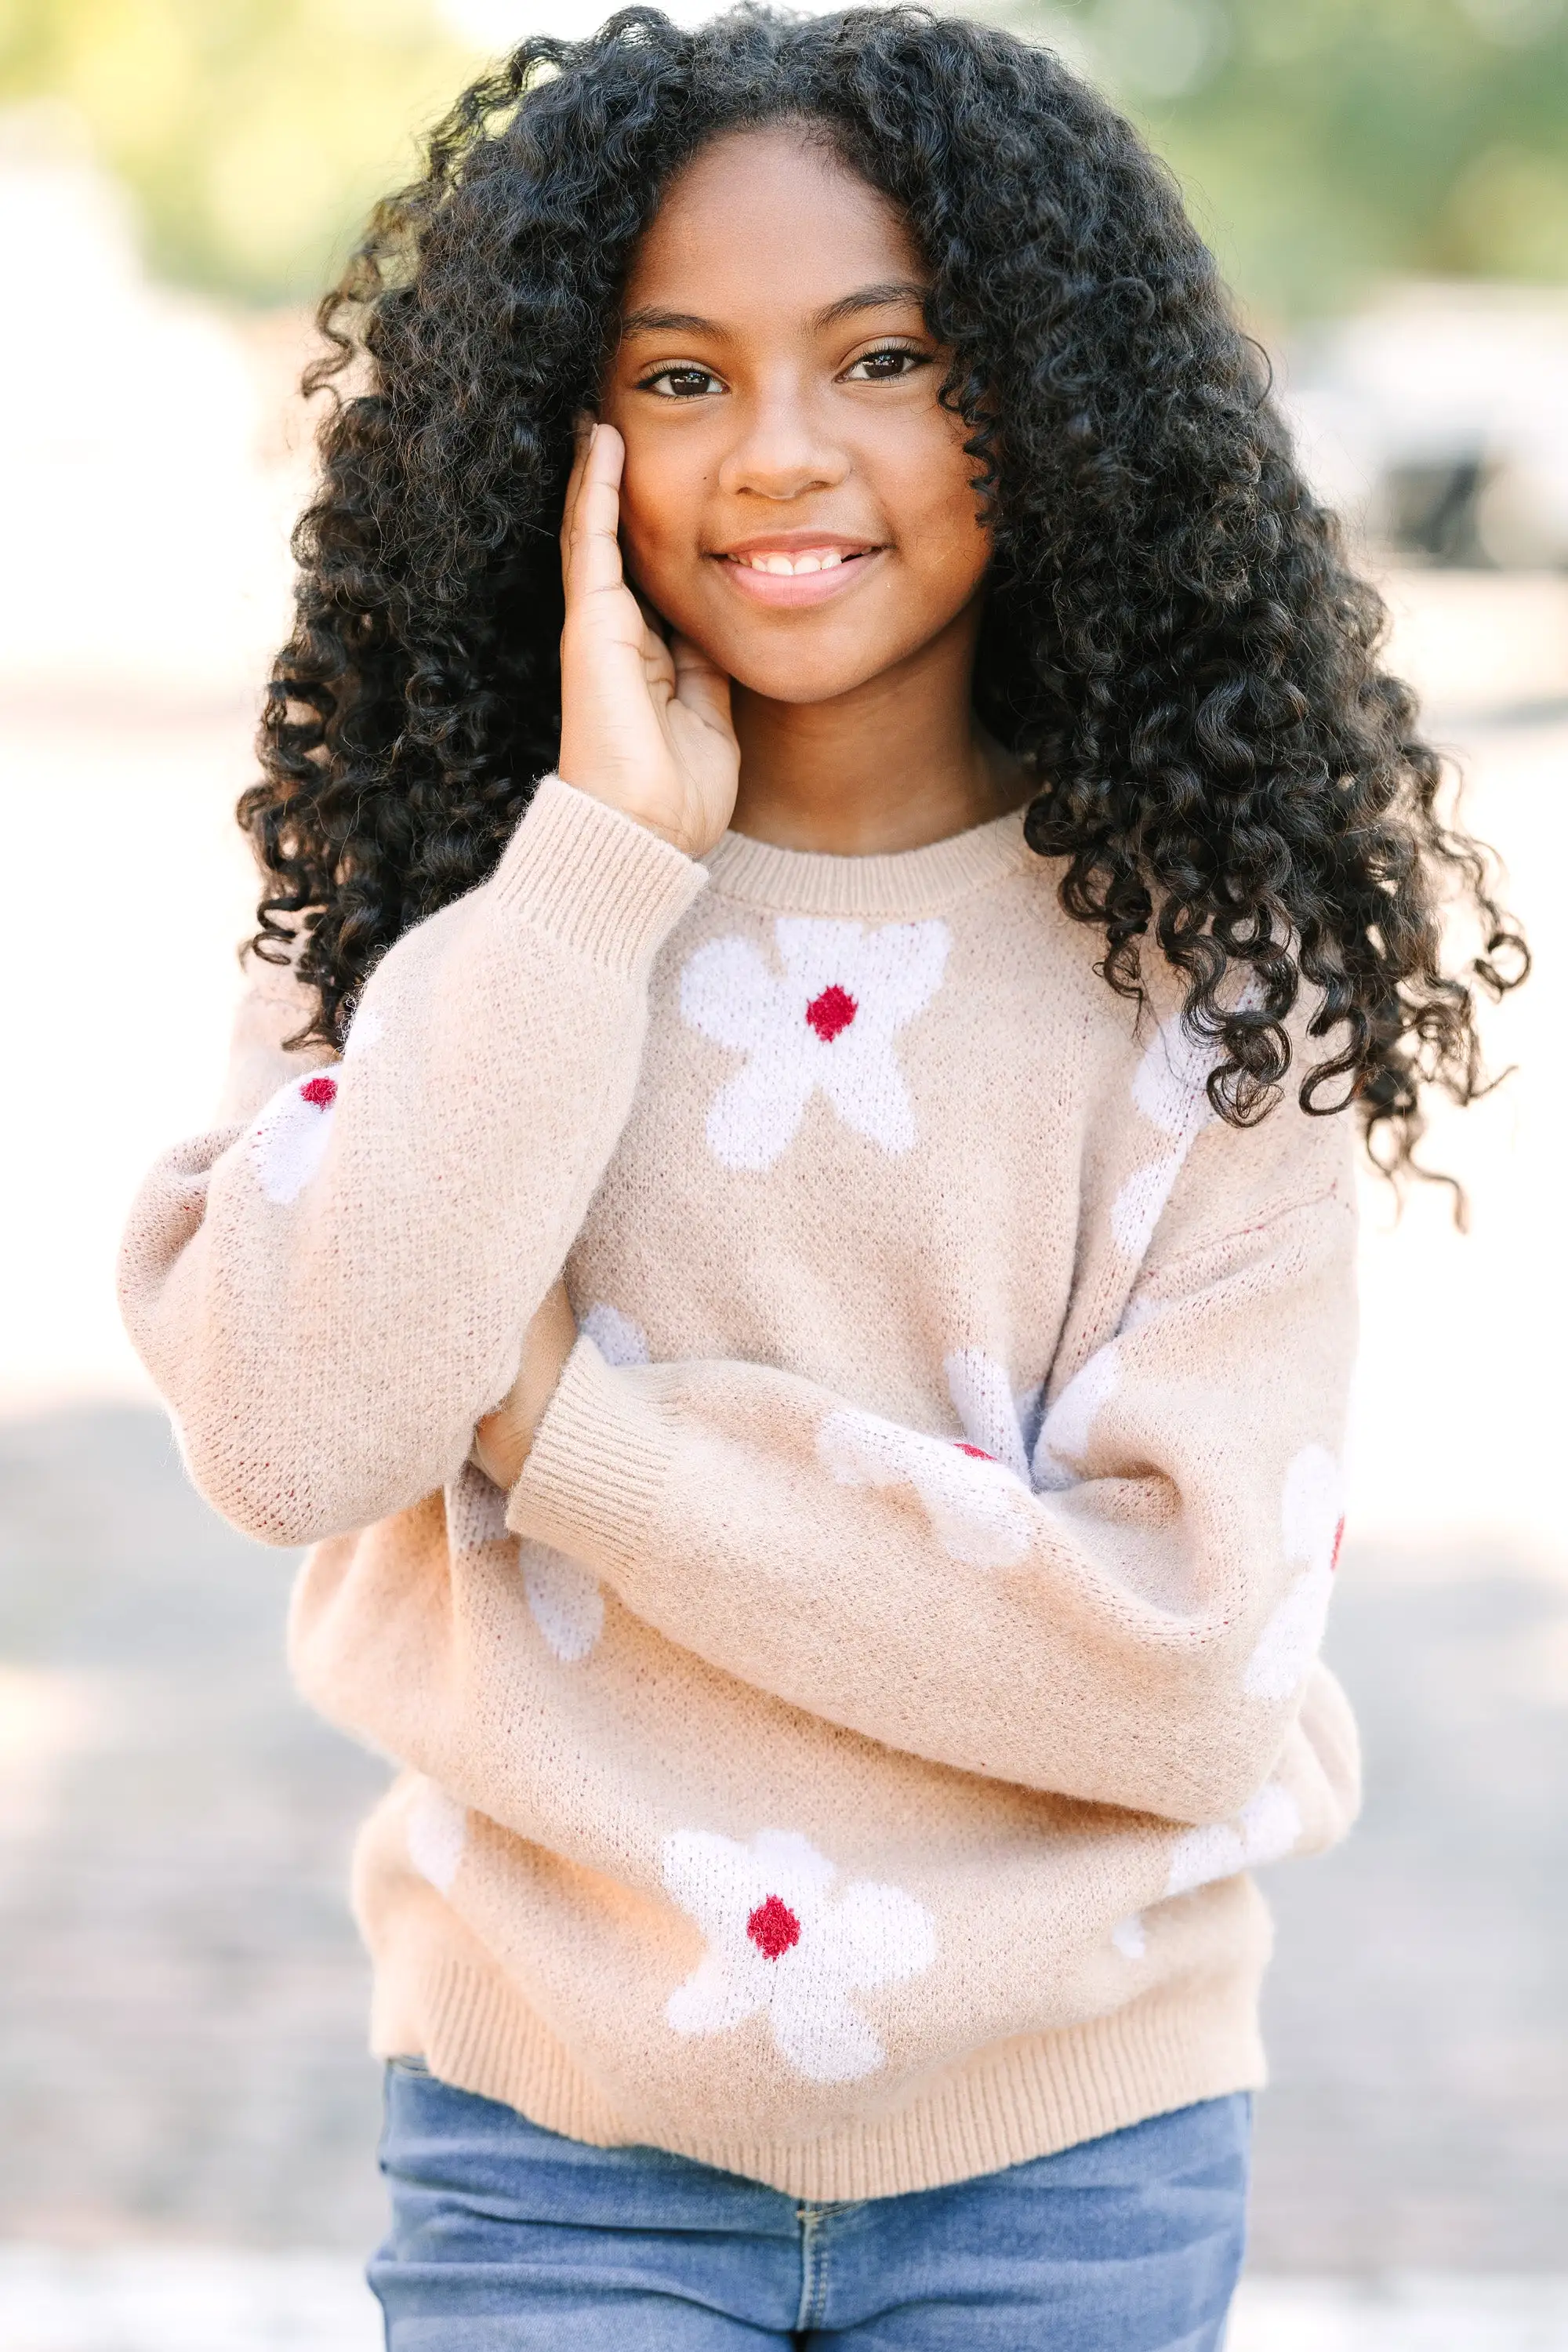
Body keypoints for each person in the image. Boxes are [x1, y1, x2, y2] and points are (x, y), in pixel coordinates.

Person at [118, 9, 1521, 2345]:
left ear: (1047, 397)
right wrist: (586, 880)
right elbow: (295, 1430)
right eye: (679, 378)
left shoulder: (1201, 964)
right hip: (548, 2141)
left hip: (1071, 2153)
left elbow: (1184, 1668)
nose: (781, 454)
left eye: (884, 356)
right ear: (553, 436)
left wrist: (567, 1435)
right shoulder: (442, 910)